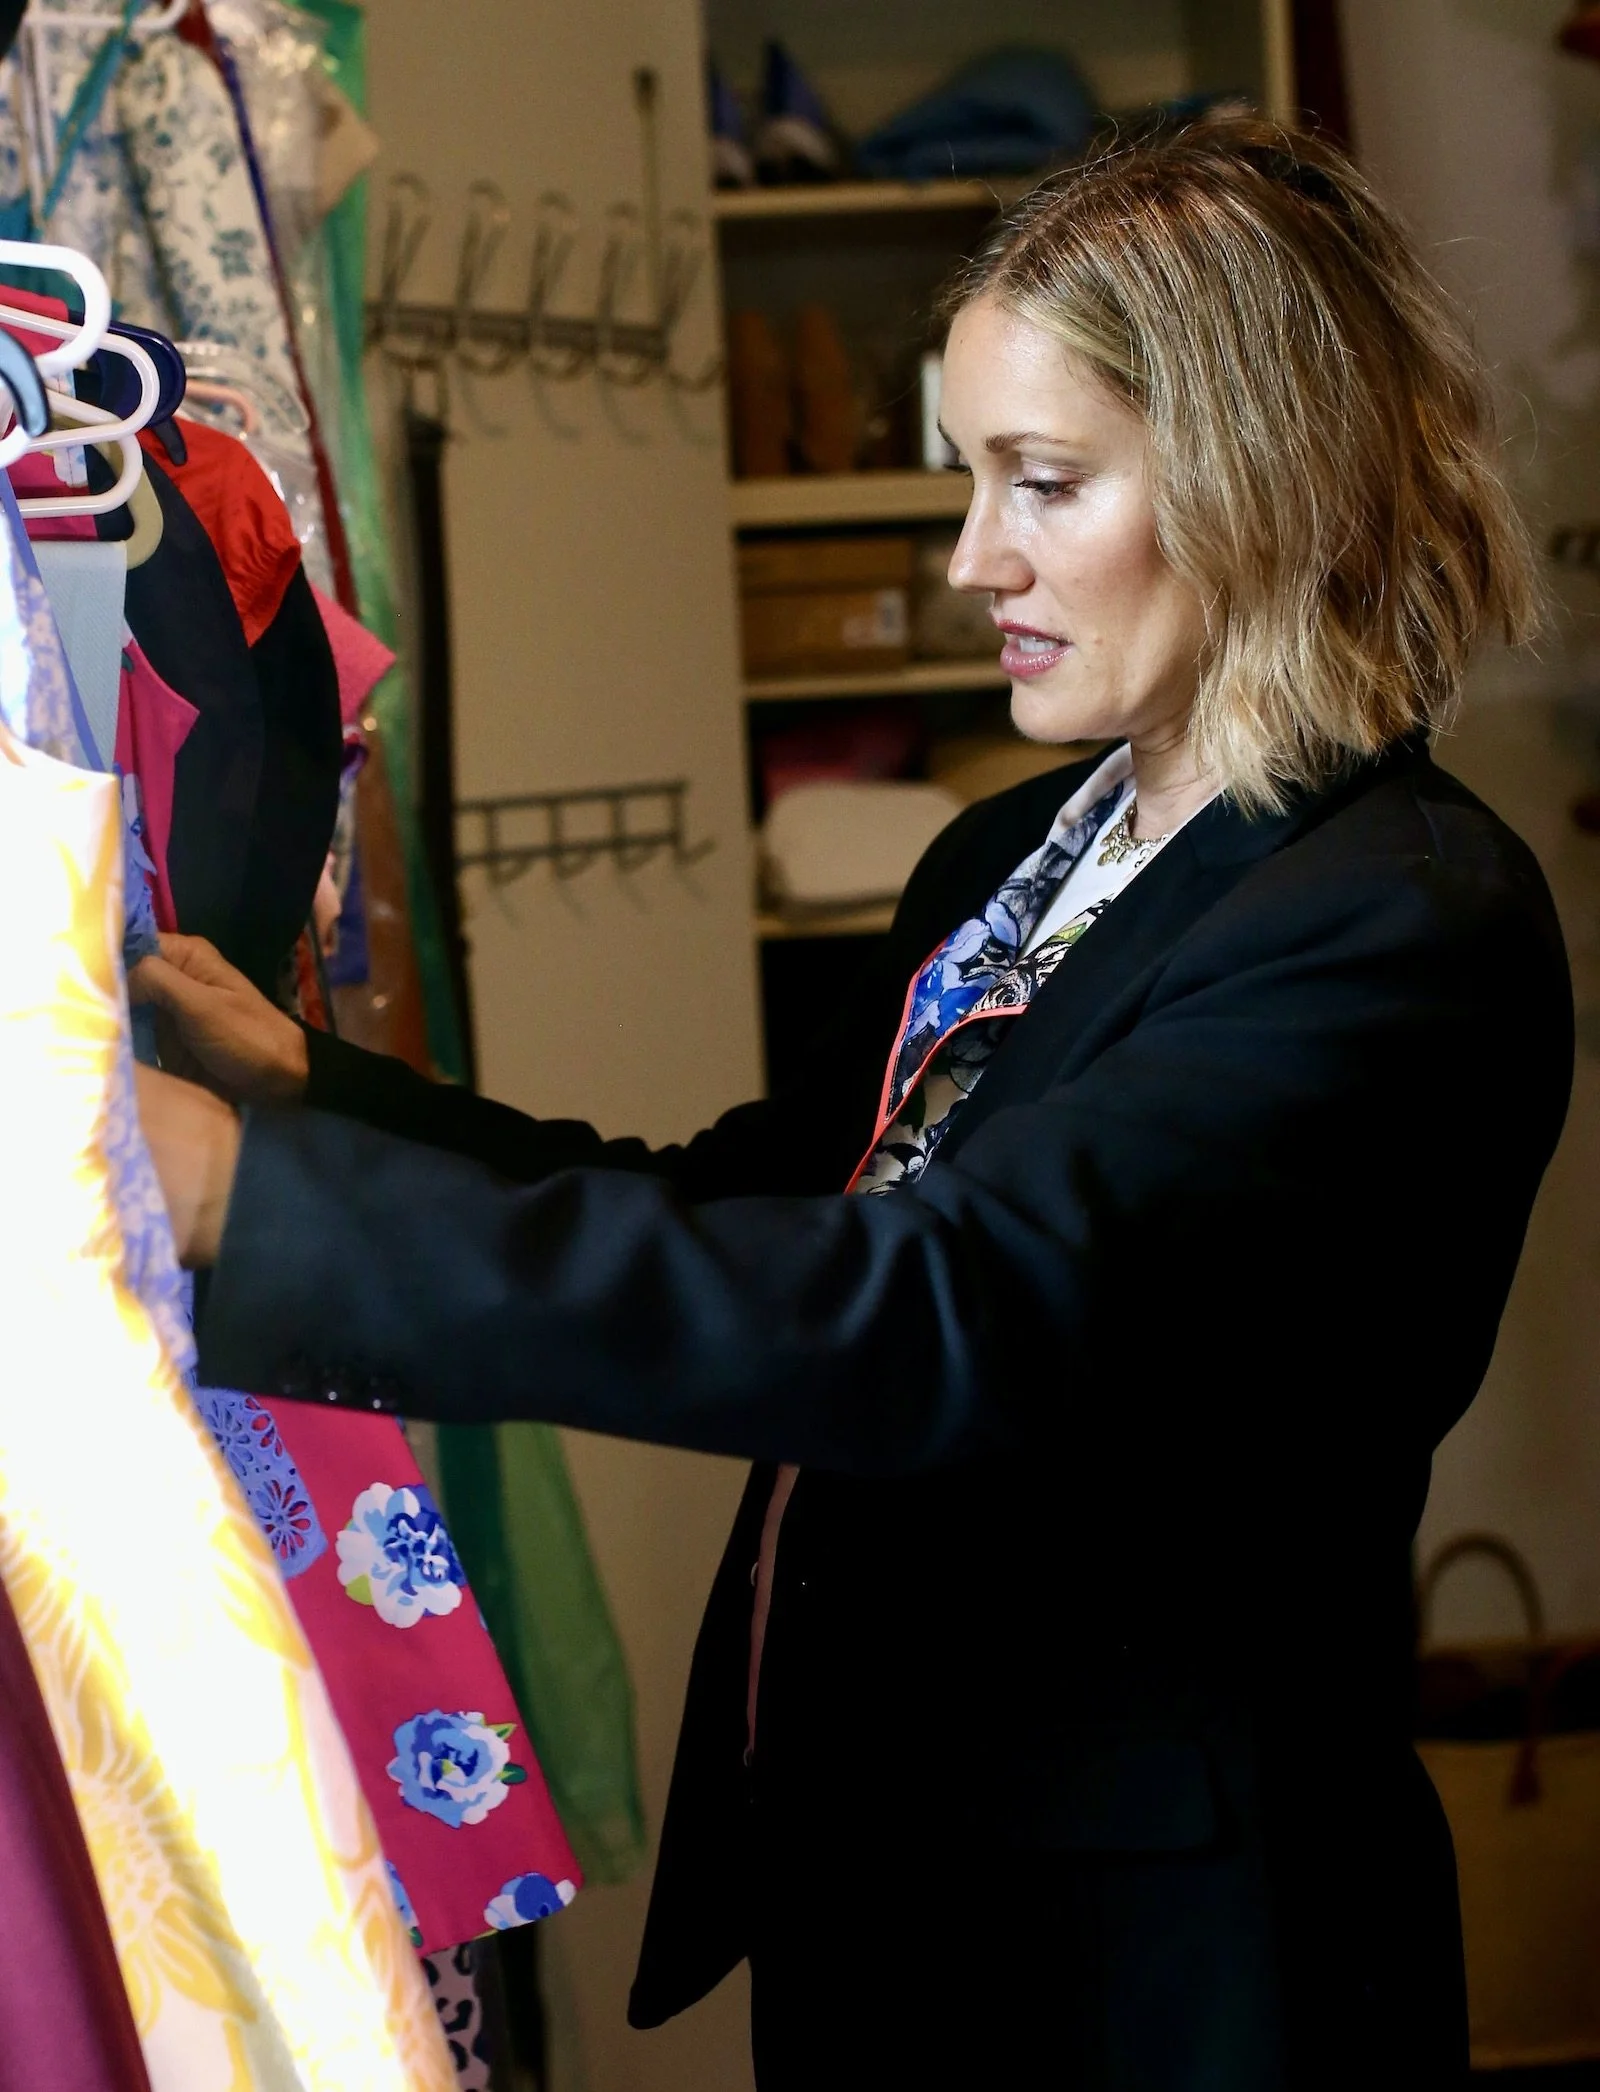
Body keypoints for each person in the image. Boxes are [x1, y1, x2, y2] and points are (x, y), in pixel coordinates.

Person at [135, 118, 1572, 2091]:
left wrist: (259, 1208)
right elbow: (752, 1204)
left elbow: (931, 1305)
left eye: (1041, 482)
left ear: (1265, 472)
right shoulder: (1020, 854)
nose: (973, 557)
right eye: (968, 476)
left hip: (1144, 1970)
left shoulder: (1396, 921)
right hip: (899, 1882)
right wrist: (312, 1103)